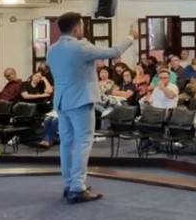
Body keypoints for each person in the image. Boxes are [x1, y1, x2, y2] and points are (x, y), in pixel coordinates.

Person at [47, 12, 137, 204]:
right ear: (76, 28)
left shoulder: (52, 49)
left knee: (67, 144)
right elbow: (113, 52)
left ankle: (69, 183)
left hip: (62, 101)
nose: (83, 29)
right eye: (82, 26)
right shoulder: (80, 46)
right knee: (83, 142)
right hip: (80, 100)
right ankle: (78, 187)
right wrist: (131, 37)